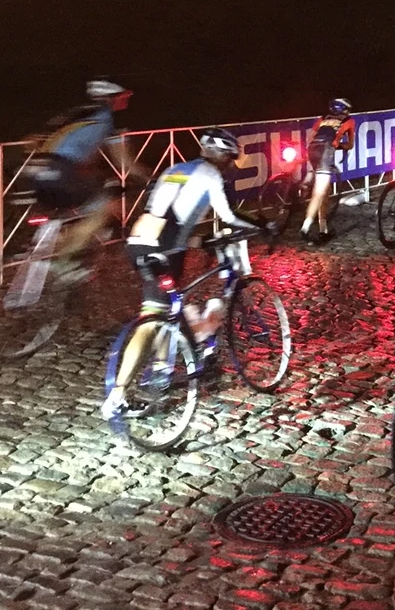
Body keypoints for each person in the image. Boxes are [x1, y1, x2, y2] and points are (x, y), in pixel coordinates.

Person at [104, 127, 256, 421]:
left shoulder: (174, 168)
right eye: (230, 160)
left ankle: (163, 368)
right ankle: (117, 396)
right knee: (150, 322)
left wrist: (194, 240)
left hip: (140, 242)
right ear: (222, 156)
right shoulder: (211, 175)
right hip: (165, 249)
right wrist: (262, 225)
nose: (229, 166)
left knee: (165, 309)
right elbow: (228, 216)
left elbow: (166, 212)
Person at [26, 79, 134, 275]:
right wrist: (151, 178)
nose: (127, 99)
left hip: (36, 170)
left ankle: (56, 246)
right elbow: (127, 164)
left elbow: (33, 140)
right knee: (105, 207)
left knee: (78, 202)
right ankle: (63, 261)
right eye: (123, 96)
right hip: (61, 171)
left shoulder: (74, 114)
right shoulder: (112, 119)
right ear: (112, 98)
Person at [301, 99, 355, 244]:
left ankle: (323, 229)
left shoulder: (322, 119)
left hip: (312, 148)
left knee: (325, 190)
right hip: (326, 150)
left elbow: (311, 137)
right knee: (318, 193)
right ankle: (305, 228)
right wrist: (338, 145)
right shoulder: (349, 121)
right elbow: (350, 144)